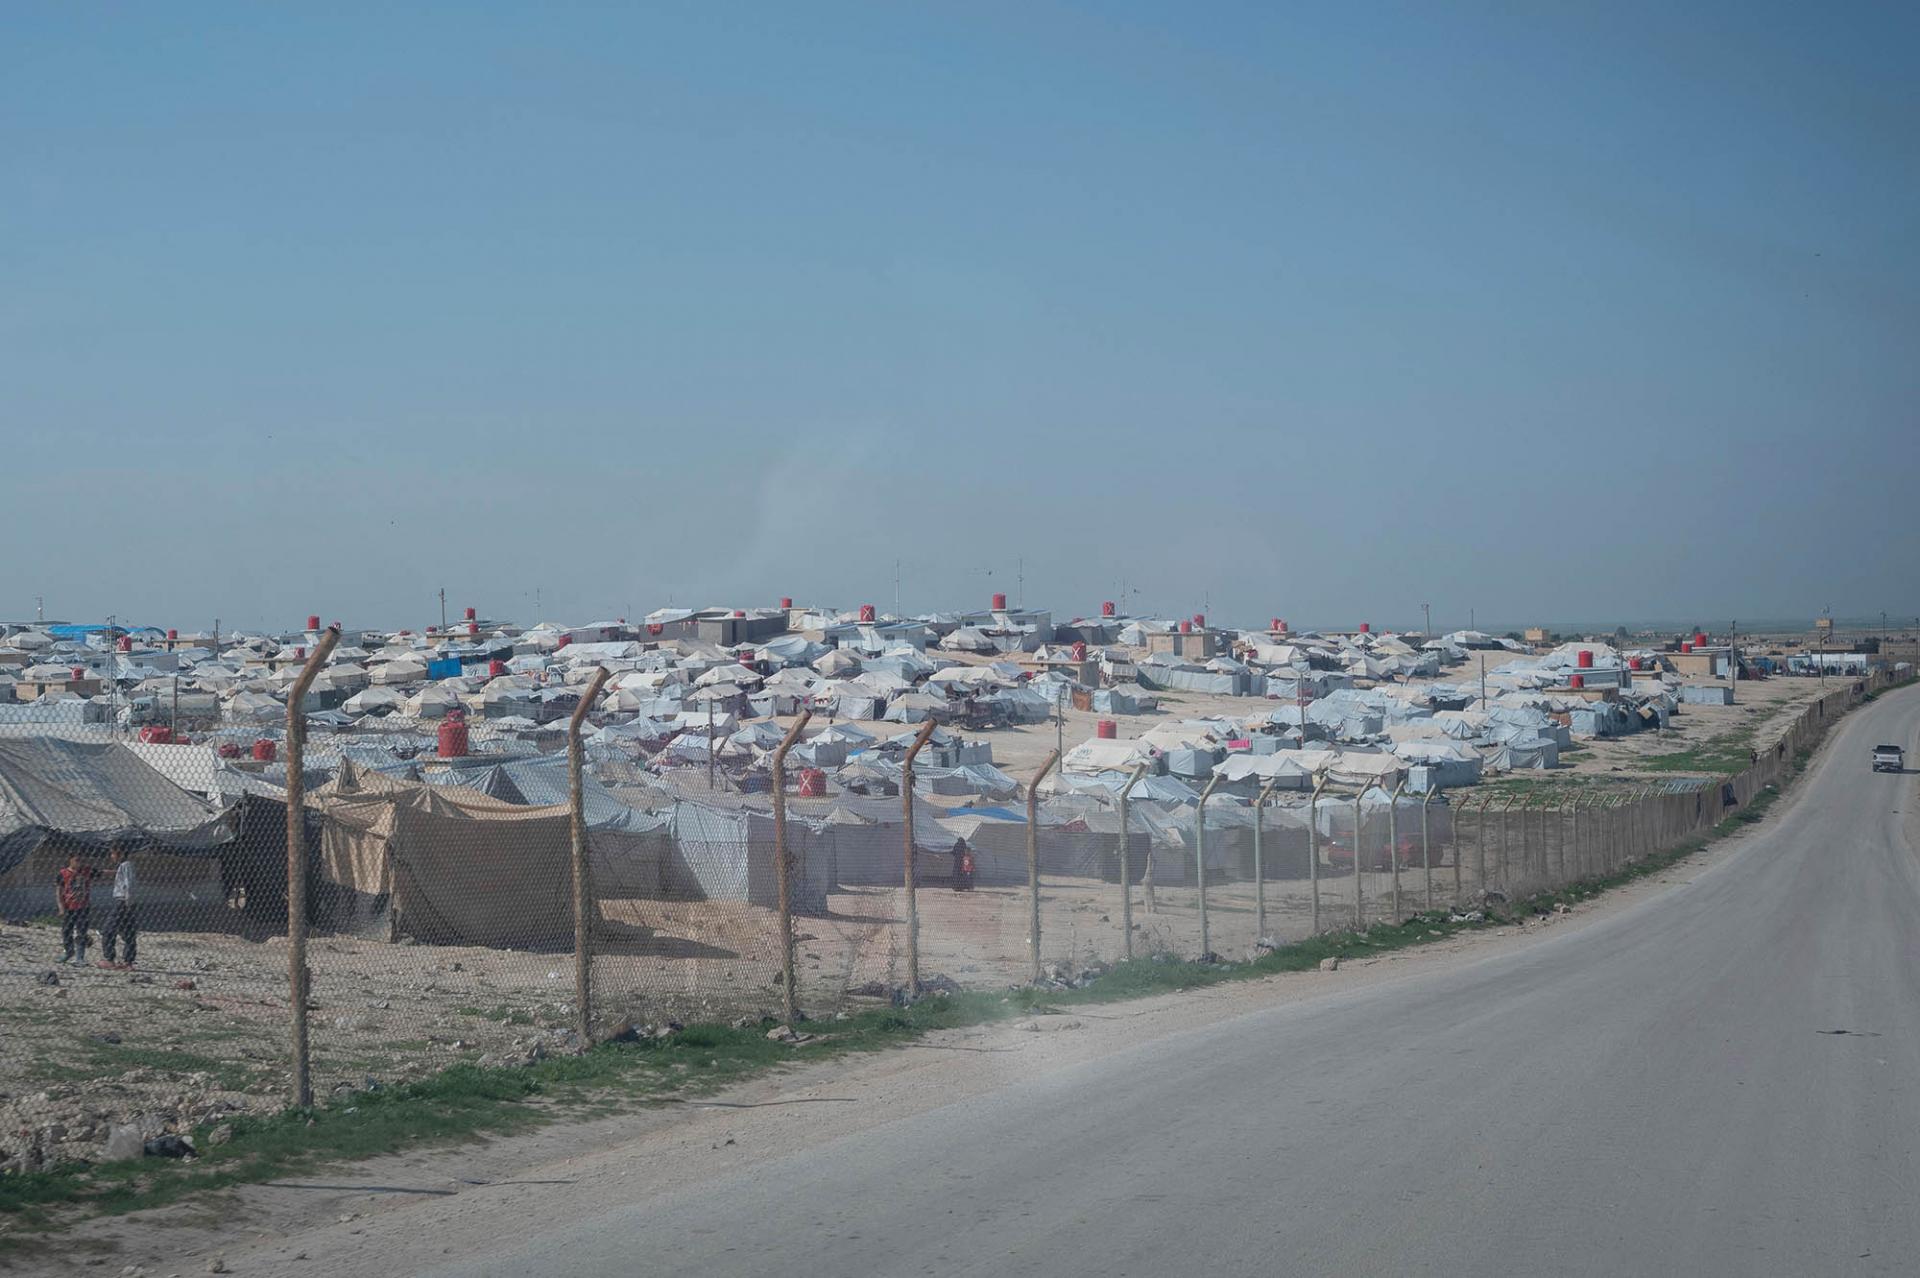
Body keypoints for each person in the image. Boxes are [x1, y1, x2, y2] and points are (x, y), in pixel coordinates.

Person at [55, 852, 100, 964]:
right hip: (69, 907)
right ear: (70, 860)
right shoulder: (63, 873)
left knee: (81, 931)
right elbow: (59, 892)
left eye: (81, 860)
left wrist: (119, 871)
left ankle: (80, 957)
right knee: (66, 931)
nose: (79, 863)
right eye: (77, 860)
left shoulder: (86, 871)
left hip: (83, 907)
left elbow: (102, 872)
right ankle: (68, 951)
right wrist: (61, 907)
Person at [102, 846, 138, 969]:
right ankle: (128, 961)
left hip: (122, 901)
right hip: (127, 902)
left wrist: (128, 902)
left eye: (112, 854)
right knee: (128, 931)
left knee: (108, 929)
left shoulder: (125, 865)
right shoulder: (125, 866)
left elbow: (129, 884)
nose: (111, 856)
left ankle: (109, 959)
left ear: (120, 853)